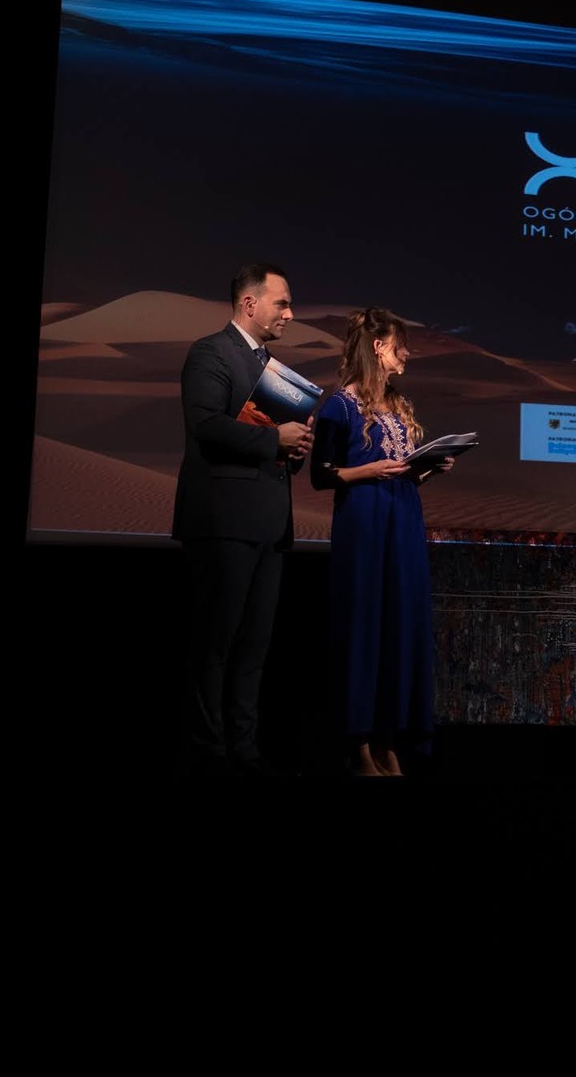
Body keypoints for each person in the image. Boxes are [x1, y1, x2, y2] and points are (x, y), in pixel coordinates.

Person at [172, 261, 314, 778]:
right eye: (283, 303)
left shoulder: (274, 368)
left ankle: (246, 750)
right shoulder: (210, 352)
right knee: (216, 644)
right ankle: (208, 752)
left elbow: (275, 444)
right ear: (249, 303)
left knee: (254, 648)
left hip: (269, 525)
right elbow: (206, 425)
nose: (290, 314)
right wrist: (273, 439)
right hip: (223, 521)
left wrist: (295, 446)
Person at [310, 307, 455, 777]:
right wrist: (369, 470)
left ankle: (389, 738)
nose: (406, 354)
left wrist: (429, 468)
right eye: (400, 345)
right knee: (364, 627)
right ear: (378, 347)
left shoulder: (397, 403)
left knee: (398, 626)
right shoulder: (340, 406)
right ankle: (358, 744)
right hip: (365, 524)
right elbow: (320, 475)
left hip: (403, 521)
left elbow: (400, 471)